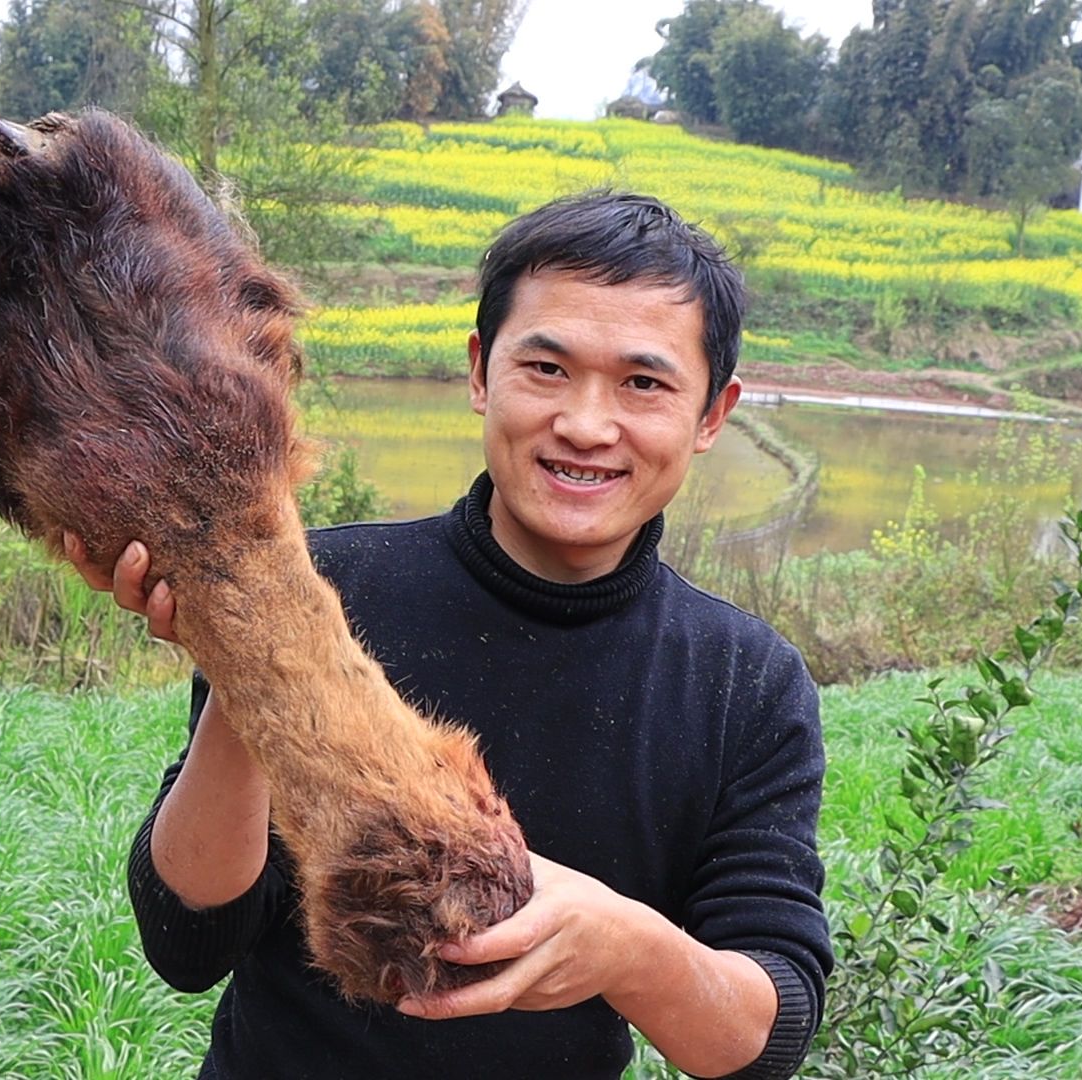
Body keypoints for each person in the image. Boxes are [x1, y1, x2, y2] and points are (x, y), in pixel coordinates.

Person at [66, 190, 831, 1080]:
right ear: (479, 371)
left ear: (711, 415)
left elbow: (760, 1037)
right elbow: (189, 940)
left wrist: (629, 947)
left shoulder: (744, 681)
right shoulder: (317, 586)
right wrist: (251, 647)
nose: (585, 424)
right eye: (545, 368)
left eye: (644, 383)